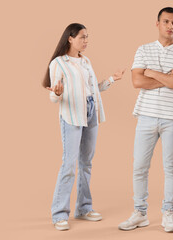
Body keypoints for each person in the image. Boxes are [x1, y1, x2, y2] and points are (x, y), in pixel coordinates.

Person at [118, 7, 173, 233]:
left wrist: (151, 72)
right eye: (166, 22)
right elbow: (136, 82)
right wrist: (169, 77)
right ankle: (139, 213)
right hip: (146, 115)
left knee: (171, 167)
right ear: (157, 24)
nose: (170, 26)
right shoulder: (143, 49)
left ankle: (168, 214)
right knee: (139, 167)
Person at [42, 23, 125, 231]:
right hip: (71, 114)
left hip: (91, 112)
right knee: (69, 164)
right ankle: (59, 214)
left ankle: (84, 208)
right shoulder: (58, 63)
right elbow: (53, 96)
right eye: (82, 37)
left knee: (86, 162)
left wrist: (112, 80)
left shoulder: (86, 61)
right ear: (70, 38)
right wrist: (58, 93)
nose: (86, 41)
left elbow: (93, 89)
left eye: (88, 37)